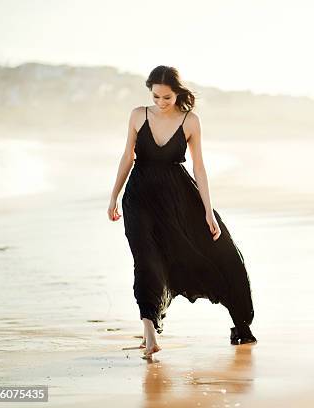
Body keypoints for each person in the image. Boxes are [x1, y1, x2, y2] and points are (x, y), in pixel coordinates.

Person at [107, 65, 256, 359]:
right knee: (146, 260)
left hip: (177, 196)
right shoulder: (138, 115)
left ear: (178, 93)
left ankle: (241, 323)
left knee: (220, 249)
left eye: (167, 98)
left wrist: (208, 212)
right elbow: (127, 156)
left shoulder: (190, 121)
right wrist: (113, 196)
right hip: (138, 196)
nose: (161, 103)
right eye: (156, 97)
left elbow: (199, 167)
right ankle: (150, 334)